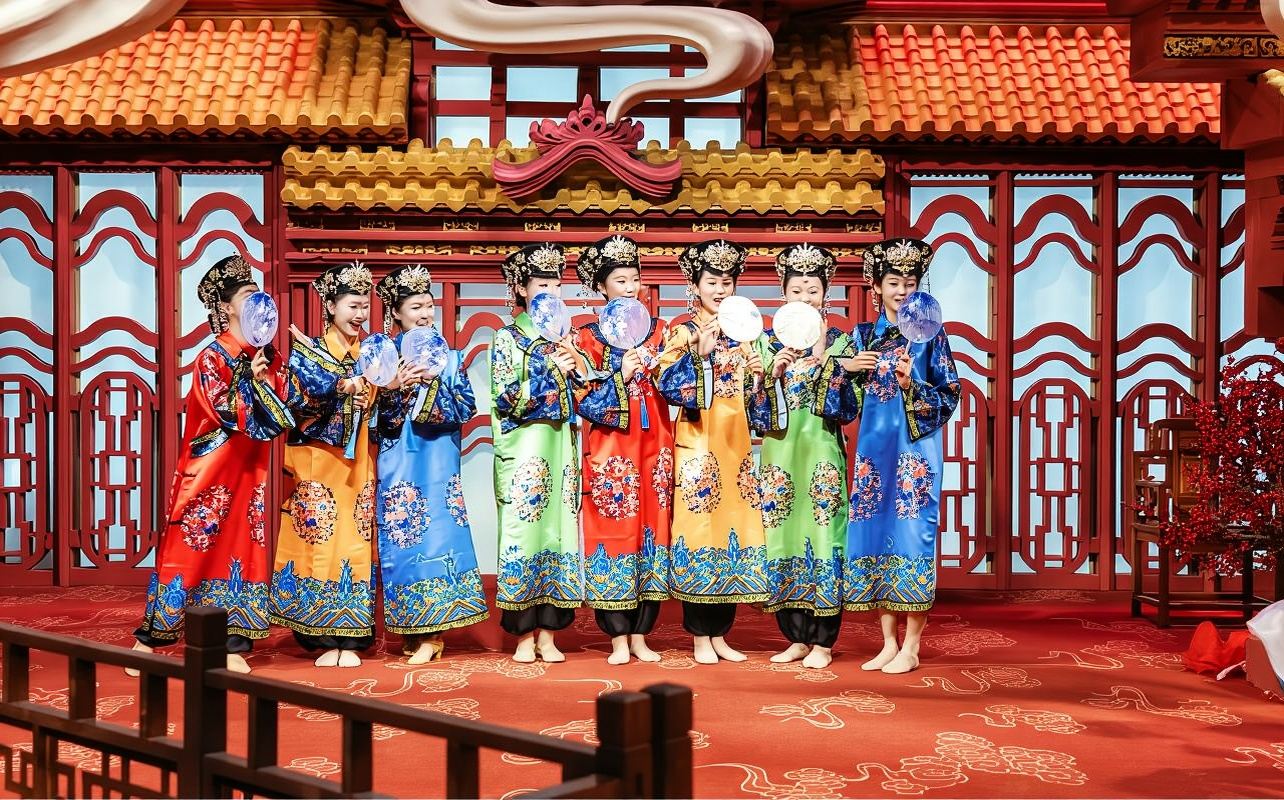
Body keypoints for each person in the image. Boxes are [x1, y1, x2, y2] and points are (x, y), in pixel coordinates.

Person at [129, 254, 292, 676]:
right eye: (245, 294)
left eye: (256, 292)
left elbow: (282, 410)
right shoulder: (211, 358)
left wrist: (264, 382)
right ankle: (152, 637)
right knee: (190, 548)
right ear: (226, 307)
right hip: (210, 471)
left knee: (242, 549)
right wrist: (252, 385)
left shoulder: (268, 357)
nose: (255, 300)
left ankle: (230, 640)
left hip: (247, 473)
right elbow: (223, 410)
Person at [841, 238, 960, 674]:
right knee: (874, 533)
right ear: (877, 286)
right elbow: (842, 405)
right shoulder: (863, 335)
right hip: (874, 449)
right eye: (893, 283)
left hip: (915, 451)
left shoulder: (931, 335)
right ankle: (887, 642)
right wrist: (846, 371)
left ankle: (911, 645)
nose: (902, 292)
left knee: (913, 535)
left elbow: (951, 394)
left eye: (910, 283)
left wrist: (913, 386)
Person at [657, 239, 768, 665]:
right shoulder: (682, 332)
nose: (720, 289)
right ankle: (700, 636)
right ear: (695, 285)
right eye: (711, 281)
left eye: (727, 281)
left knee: (734, 534)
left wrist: (760, 379)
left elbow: (757, 406)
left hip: (736, 445)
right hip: (698, 444)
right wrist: (700, 358)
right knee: (699, 532)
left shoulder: (748, 336)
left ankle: (721, 633)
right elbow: (667, 385)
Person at [374, 265, 488, 664]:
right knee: (403, 538)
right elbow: (374, 421)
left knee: (438, 538)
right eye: (415, 307)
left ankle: (433, 634)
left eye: (429, 305)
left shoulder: (452, 358)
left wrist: (431, 385)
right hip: (398, 459)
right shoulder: (382, 354)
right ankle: (411, 627)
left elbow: (466, 407)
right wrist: (392, 390)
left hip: (438, 460)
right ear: (397, 314)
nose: (425, 314)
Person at [753, 244, 859, 670]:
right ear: (783, 295)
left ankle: (823, 641)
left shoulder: (841, 342)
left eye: (812, 291)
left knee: (824, 536)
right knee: (782, 537)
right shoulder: (765, 344)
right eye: (796, 290)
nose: (805, 298)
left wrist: (829, 368)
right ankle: (795, 636)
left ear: (825, 295)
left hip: (821, 454)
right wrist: (773, 375)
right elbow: (756, 413)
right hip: (780, 455)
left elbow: (849, 409)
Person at [270, 262, 378, 668]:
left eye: (365, 306)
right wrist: (340, 385)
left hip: (357, 462)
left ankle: (350, 637)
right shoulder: (308, 350)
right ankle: (318, 632)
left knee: (354, 539)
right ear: (330, 307)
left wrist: (379, 392)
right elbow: (296, 403)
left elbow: (380, 409)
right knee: (318, 539)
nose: (360, 314)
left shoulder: (371, 351)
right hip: (319, 461)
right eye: (352, 305)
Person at [573, 235, 673, 665]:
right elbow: (580, 397)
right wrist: (619, 373)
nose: (630, 288)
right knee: (613, 532)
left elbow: (681, 386)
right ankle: (616, 637)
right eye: (620, 280)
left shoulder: (663, 331)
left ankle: (641, 636)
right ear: (603, 287)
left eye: (635, 279)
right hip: (611, 449)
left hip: (655, 445)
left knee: (654, 528)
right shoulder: (587, 338)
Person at [491, 243, 585, 663]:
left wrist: (579, 367)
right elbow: (505, 396)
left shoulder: (567, 338)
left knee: (559, 533)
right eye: (542, 284)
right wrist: (552, 371)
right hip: (525, 449)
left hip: (561, 447)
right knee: (524, 535)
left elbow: (588, 392)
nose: (551, 291)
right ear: (522, 290)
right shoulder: (506, 338)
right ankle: (523, 635)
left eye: (556, 284)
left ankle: (549, 633)